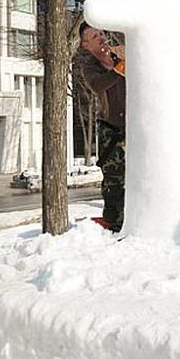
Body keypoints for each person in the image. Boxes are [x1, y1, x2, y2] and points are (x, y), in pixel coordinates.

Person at [76, 21, 126, 232]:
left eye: (102, 33)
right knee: (115, 178)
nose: (102, 38)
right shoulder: (89, 66)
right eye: (95, 37)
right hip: (112, 128)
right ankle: (115, 221)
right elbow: (97, 86)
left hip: (136, 125)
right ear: (86, 45)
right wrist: (120, 69)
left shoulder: (120, 55)